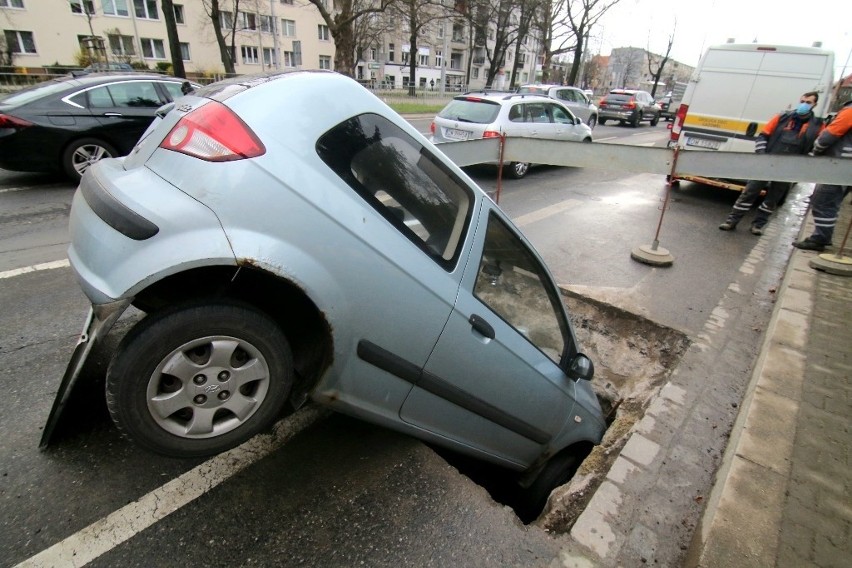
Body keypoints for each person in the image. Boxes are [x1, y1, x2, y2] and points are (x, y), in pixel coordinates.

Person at [719, 91, 823, 235]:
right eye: (802, 101)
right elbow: (763, 136)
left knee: (773, 198)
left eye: (808, 102)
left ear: (814, 105)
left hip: (789, 167)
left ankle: (758, 225)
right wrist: (761, 155)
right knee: (749, 192)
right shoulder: (782, 118)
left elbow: (818, 146)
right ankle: (732, 221)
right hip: (767, 162)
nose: (804, 105)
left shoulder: (817, 125)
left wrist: (804, 163)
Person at [793, 98, 852, 251]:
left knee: (823, 202)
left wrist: (816, 151)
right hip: (845, 167)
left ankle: (820, 239)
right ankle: (822, 237)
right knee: (831, 203)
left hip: (838, 165)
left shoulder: (850, 111)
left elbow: (829, 135)